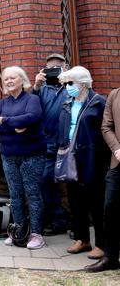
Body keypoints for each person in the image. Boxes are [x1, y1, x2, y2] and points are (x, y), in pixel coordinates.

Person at [55, 66, 108, 259]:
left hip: (92, 159)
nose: (67, 87)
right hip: (71, 157)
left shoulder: (98, 103)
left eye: (70, 83)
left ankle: (102, 244)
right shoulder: (67, 103)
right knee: (75, 200)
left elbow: (106, 131)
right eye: (66, 83)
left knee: (96, 202)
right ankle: (82, 239)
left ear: (83, 83)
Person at [0, 66, 45, 250]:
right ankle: (19, 233)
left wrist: (5, 121)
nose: (9, 81)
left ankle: (37, 234)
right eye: (6, 79)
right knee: (15, 195)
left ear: (22, 80)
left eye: (12, 78)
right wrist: (15, 125)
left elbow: (32, 117)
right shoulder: (2, 103)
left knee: (32, 194)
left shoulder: (32, 99)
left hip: (31, 156)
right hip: (8, 156)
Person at [33, 53, 70, 236]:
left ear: (66, 68)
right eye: (50, 68)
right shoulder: (42, 89)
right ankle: (57, 220)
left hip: (67, 143)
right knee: (46, 180)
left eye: (58, 67)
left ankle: (71, 220)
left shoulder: (71, 87)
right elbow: (31, 107)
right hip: (47, 143)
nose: (54, 71)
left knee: (72, 181)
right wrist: (36, 86)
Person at [85, 85, 120, 272]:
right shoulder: (114, 94)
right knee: (110, 208)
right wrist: (117, 148)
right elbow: (106, 126)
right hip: (117, 162)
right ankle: (111, 258)